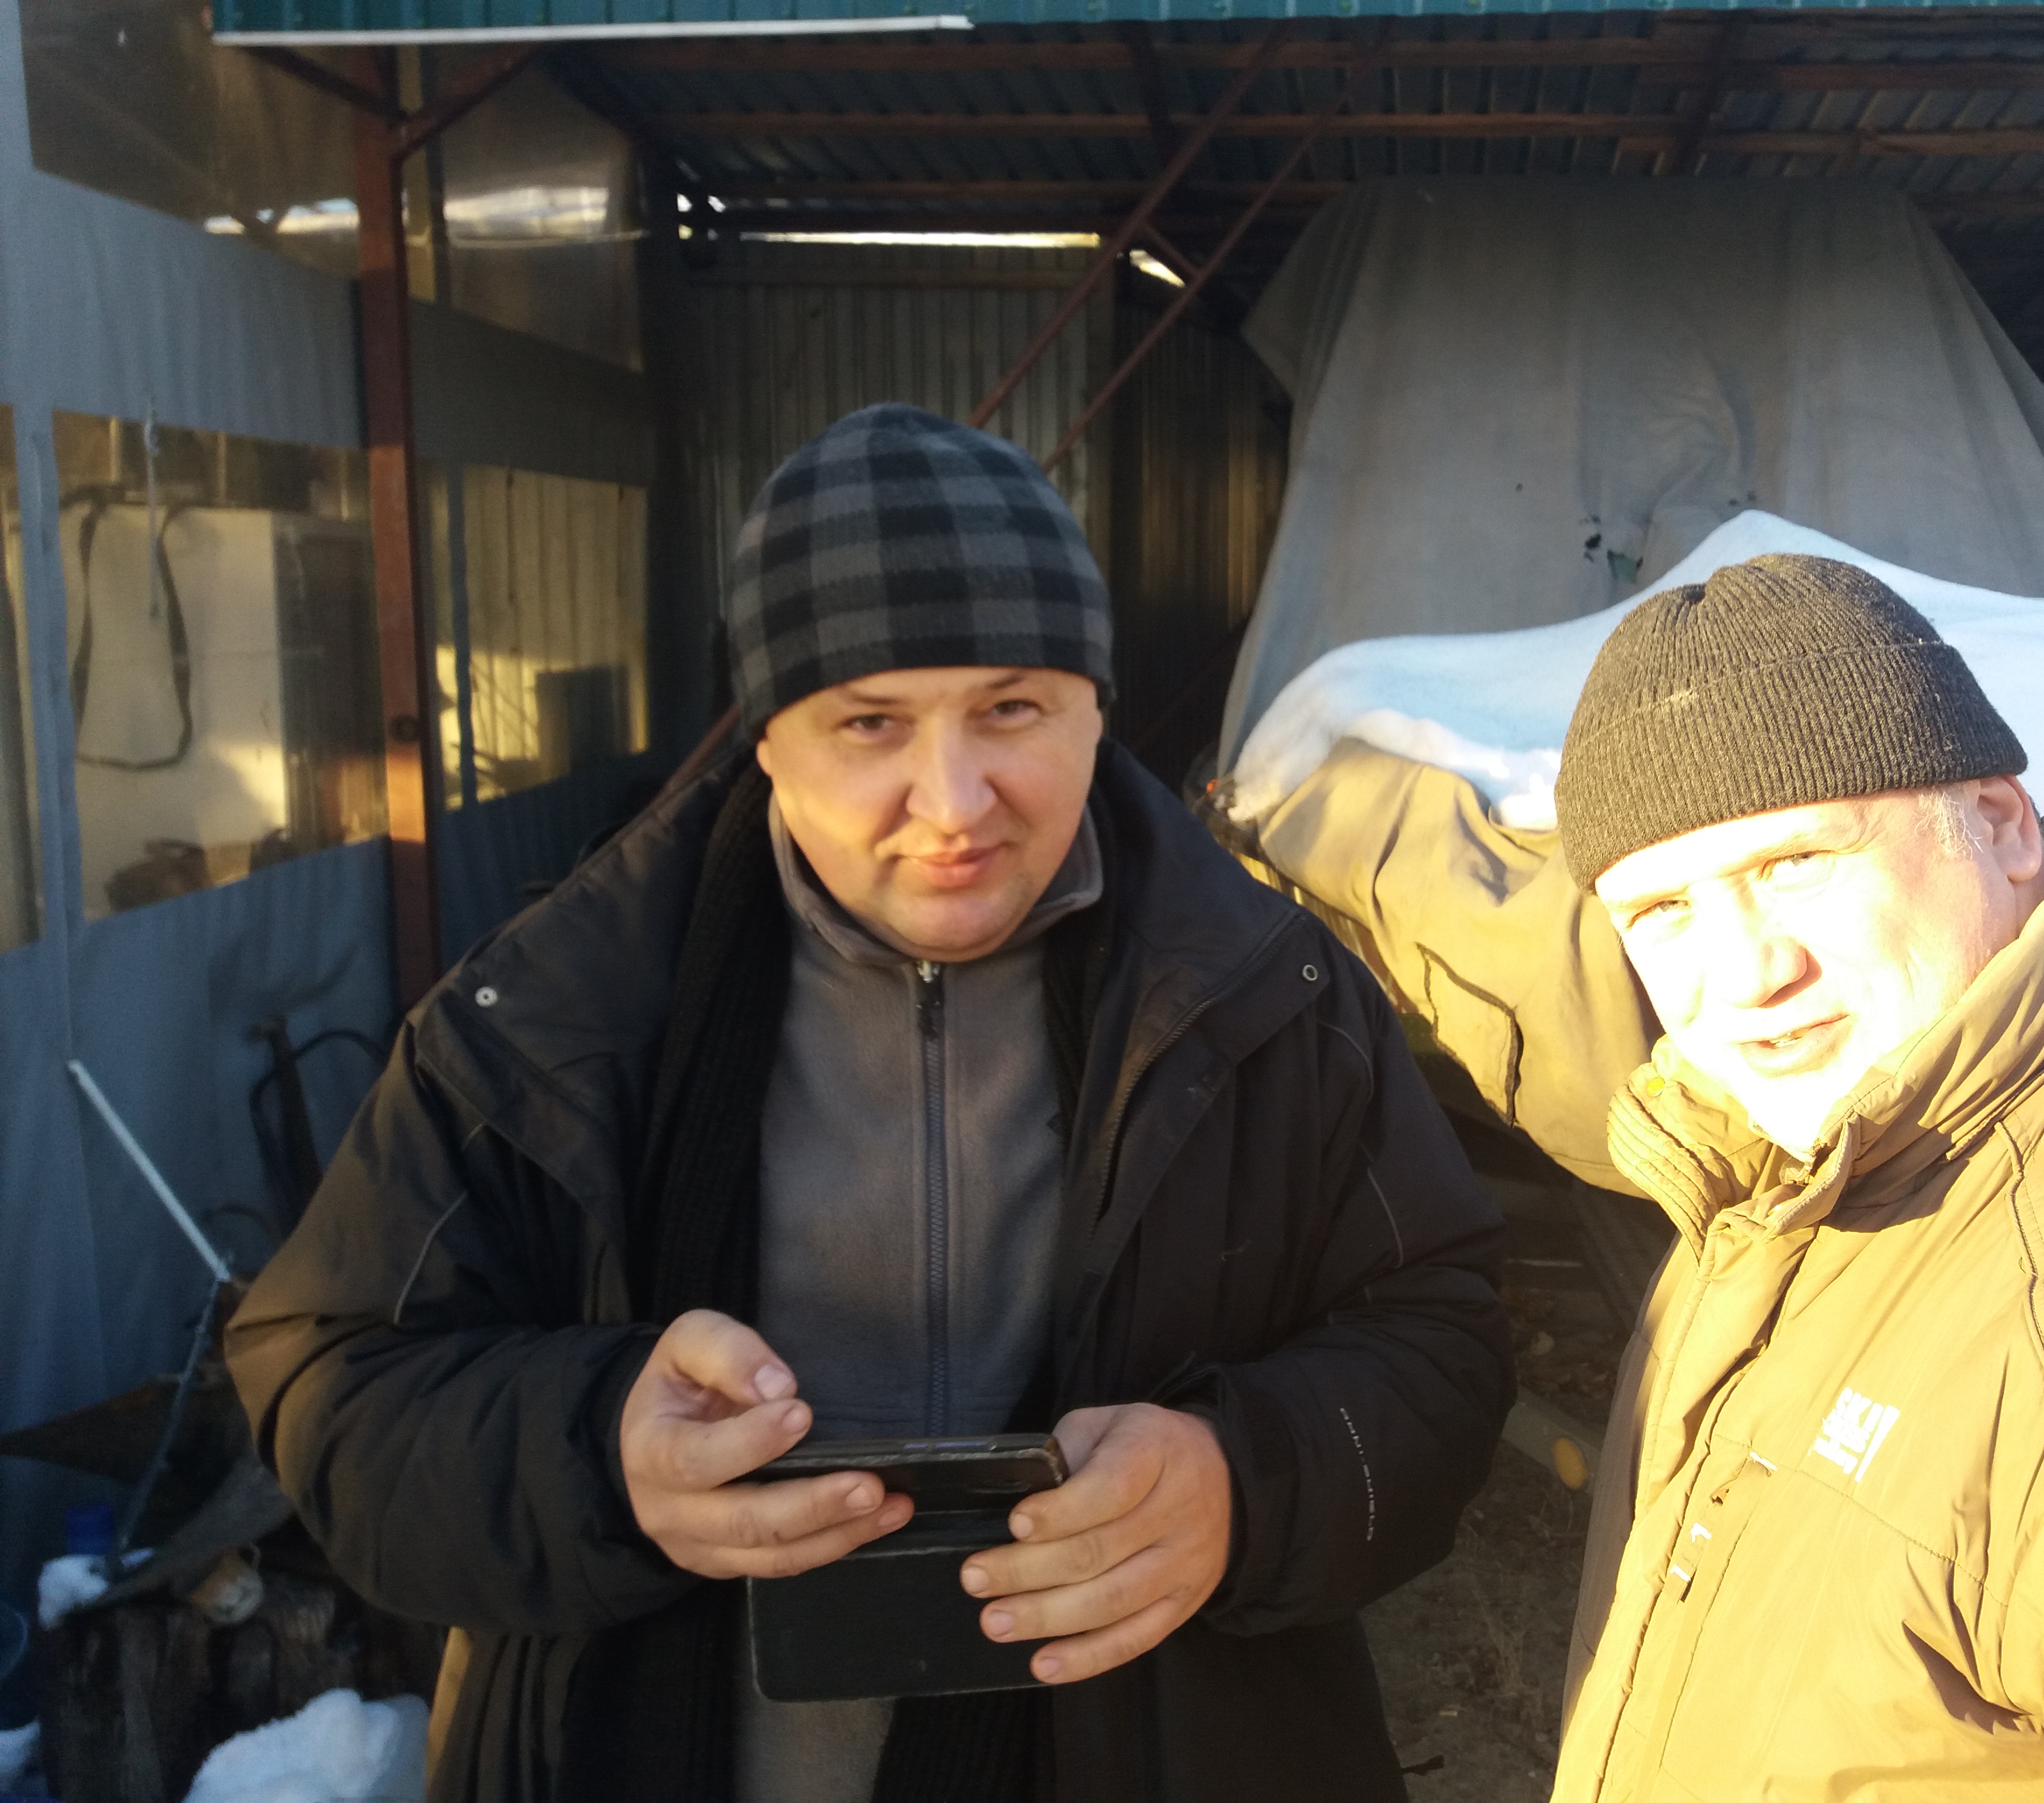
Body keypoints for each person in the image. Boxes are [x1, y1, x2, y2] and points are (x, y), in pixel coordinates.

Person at [227, 404, 1513, 1803]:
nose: (953, 802)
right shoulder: (549, 1019)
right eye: (869, 724)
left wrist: (1239, 1485)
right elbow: (334, 1388)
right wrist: (601, 1454)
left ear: (1096, 708)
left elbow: (1440, 1336)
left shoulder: (1271, 1000)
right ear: (768, 739)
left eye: (1012, 710)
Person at [1254, 554, 2044, 1799]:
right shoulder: (1775, 1173)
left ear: (2002, 825)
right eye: (1662, 910)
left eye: (1796, 862)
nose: (1746, 974)